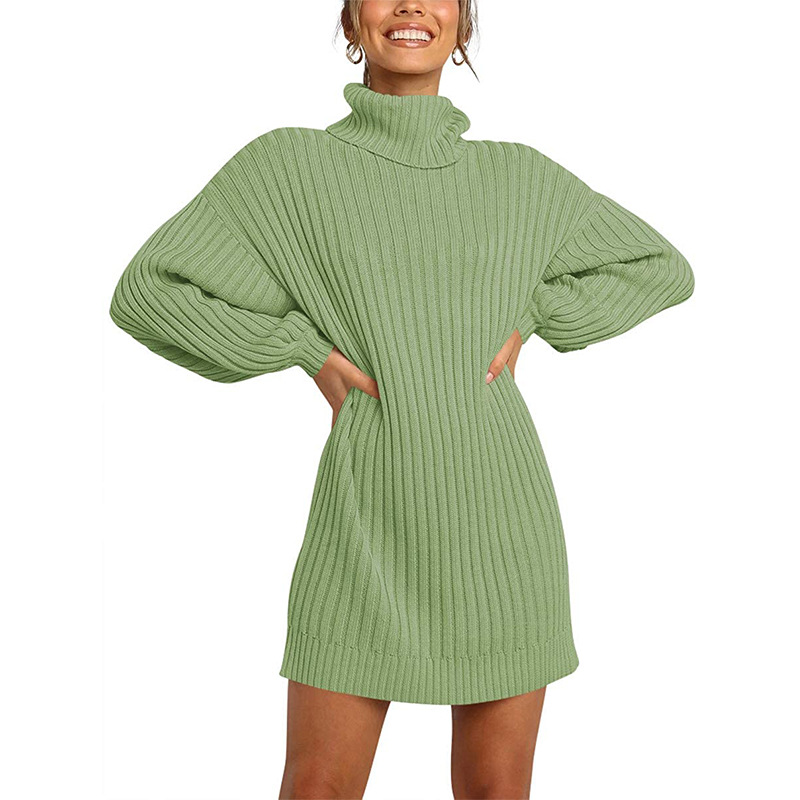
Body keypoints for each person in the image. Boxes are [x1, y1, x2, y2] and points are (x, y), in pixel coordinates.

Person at [109, 1, 695, 797]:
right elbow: (148, 292)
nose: (412, 5)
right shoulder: (288, 169)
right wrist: (301, 349)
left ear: (462, 24)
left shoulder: (519, 178)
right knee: (318, 786)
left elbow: (660, 267)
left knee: (496, 790)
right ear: (352, 21)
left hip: (502, 530)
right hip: (363, 527)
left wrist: (533, 317)